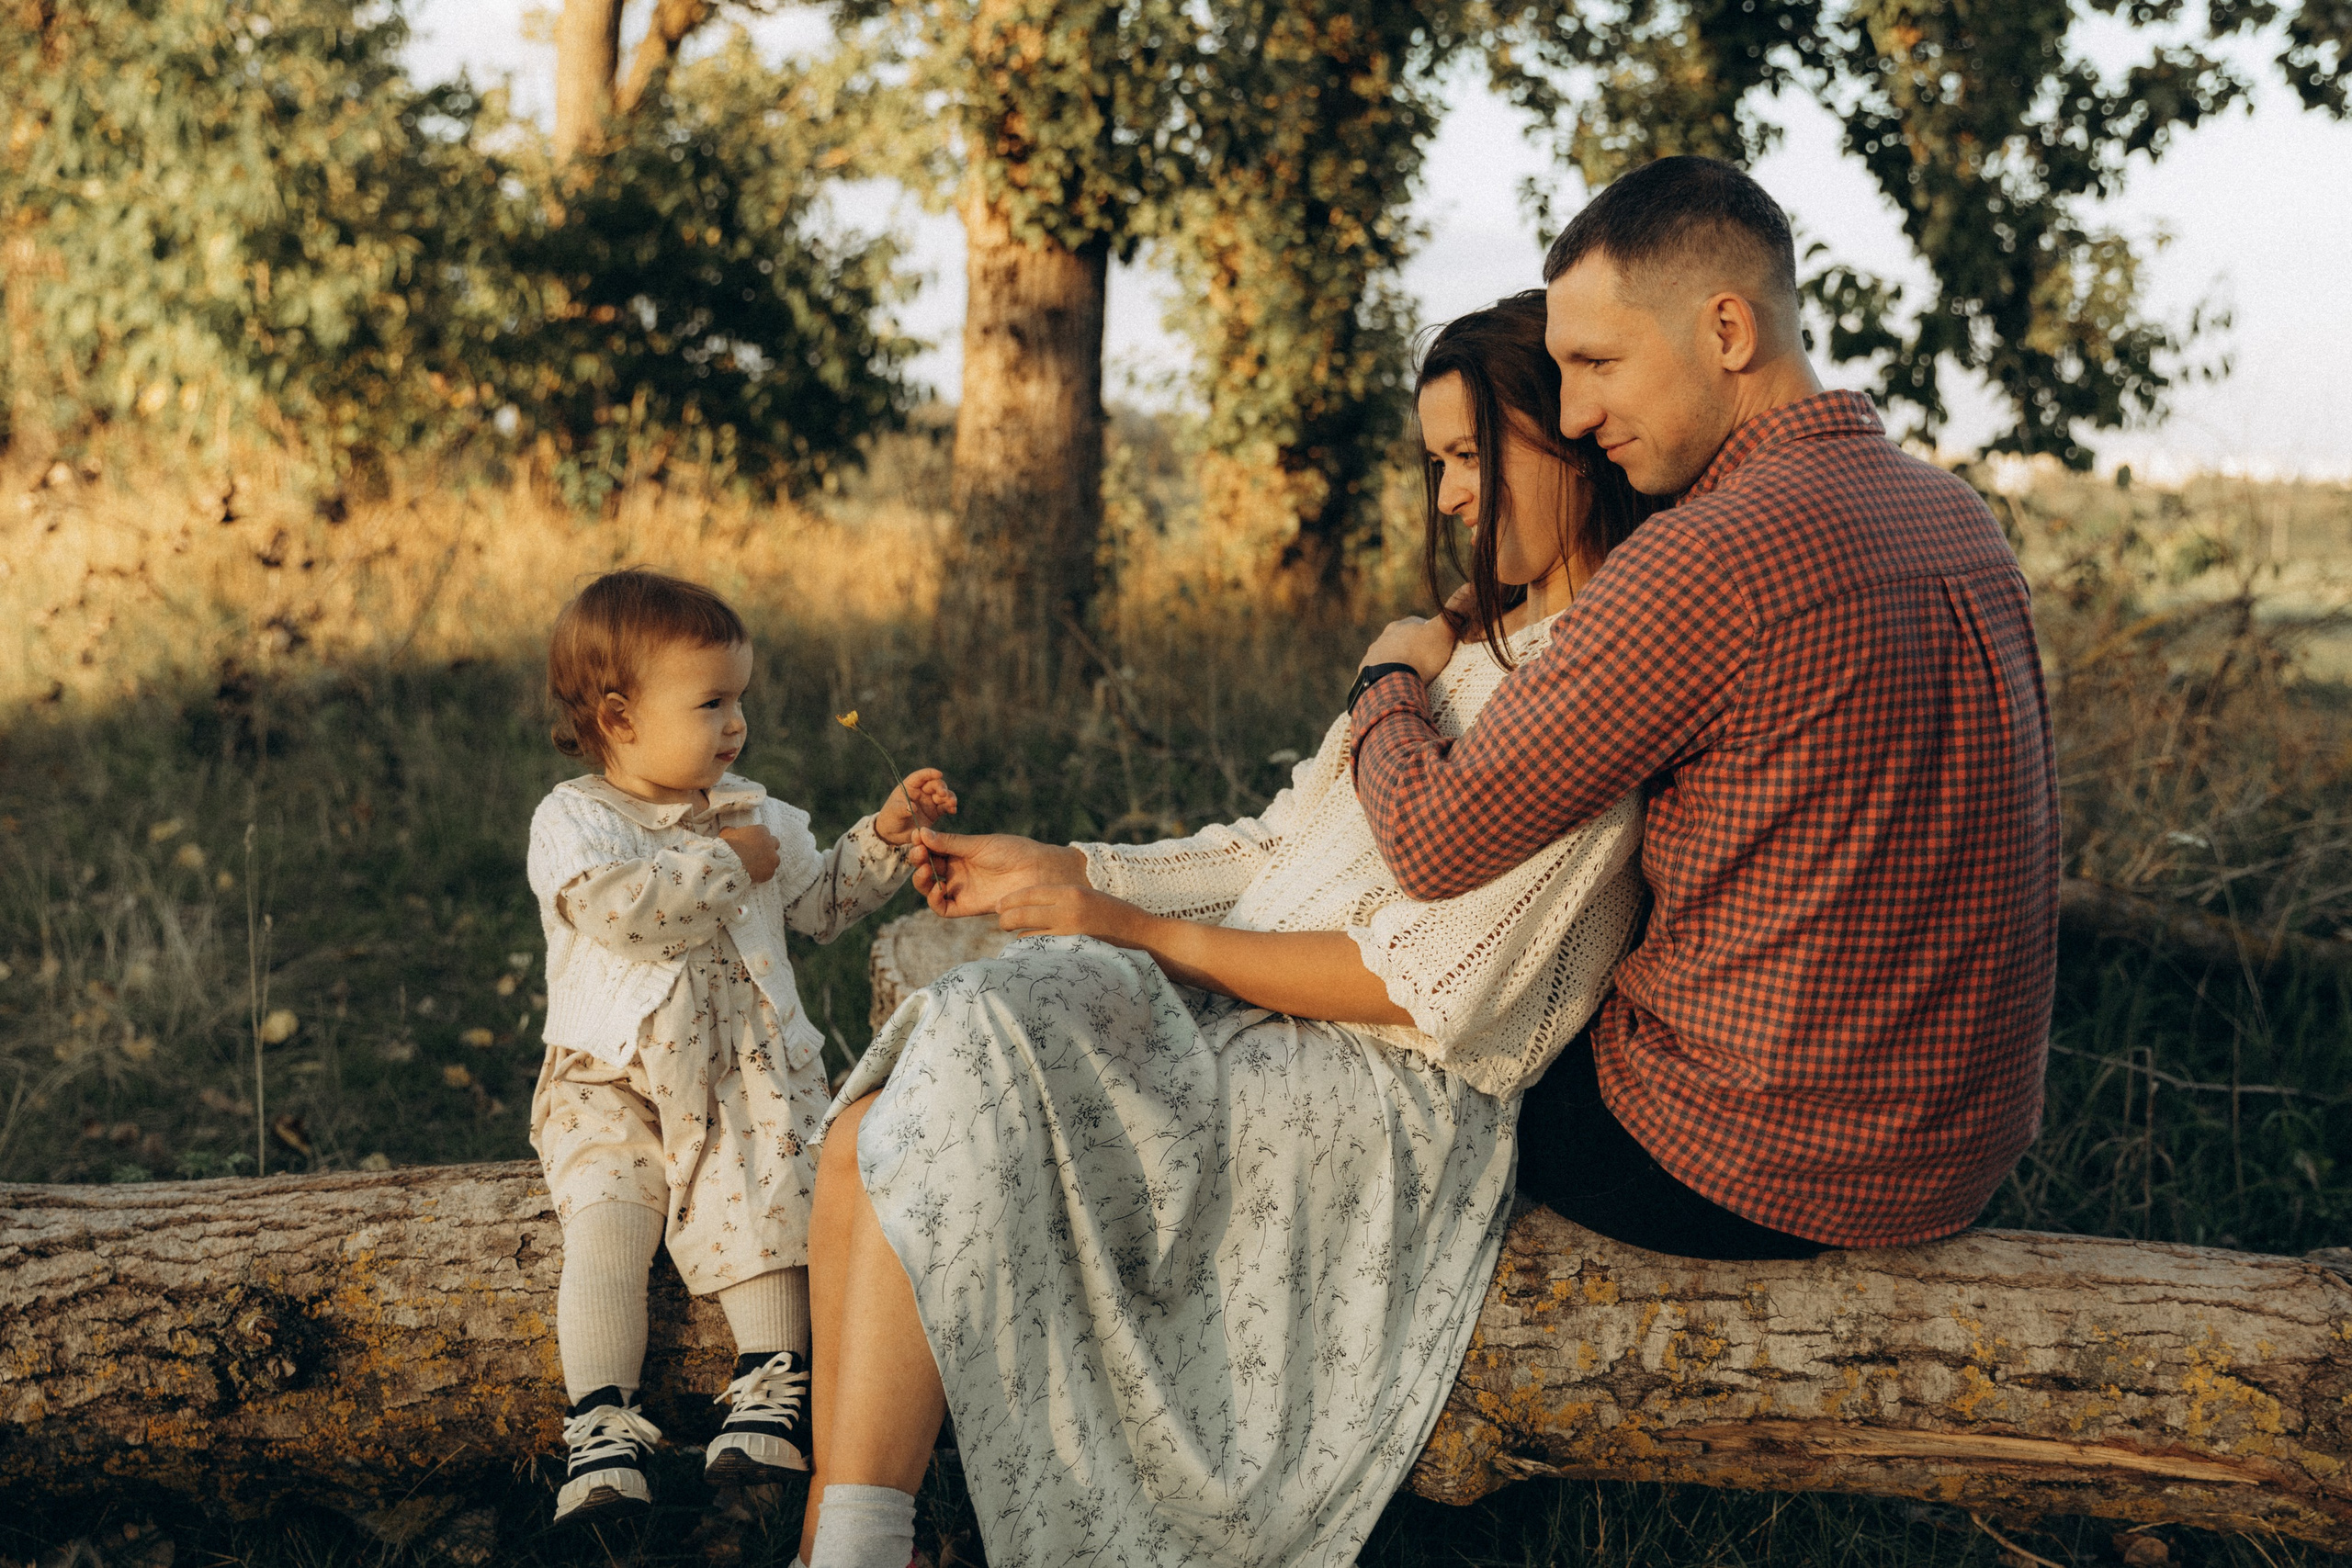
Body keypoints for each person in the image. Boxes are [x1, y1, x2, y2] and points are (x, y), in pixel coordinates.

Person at [791, 295, 1656, 1568]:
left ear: (1569, 437)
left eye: (1476, 456)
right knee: (877, 1127)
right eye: (1439, 466)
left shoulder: (1607, 679)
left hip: (1372, 1089)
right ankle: (846, 1537)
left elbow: (1424, 989)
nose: (1454, 498)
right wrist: (1070, 866)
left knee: (966, 1050)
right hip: (1248, 1009)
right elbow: (1273, 848)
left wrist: (1124, 923)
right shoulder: (1448, 647)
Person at [1351, 155, 2060, 1260]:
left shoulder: (1703, 561)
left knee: (1373, 1082)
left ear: (1727, 332)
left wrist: (1388, 681)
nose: (1577, 412)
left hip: (1733, 1162)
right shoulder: (1955, 517)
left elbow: (1432, 843)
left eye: (1597, 362)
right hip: (1961, 1152)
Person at [523, 568, 956, 1526]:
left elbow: (819, 901)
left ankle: (767, 1391)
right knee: (607, 1220)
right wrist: (723, 865)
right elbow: (622, 914)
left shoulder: (752, 810)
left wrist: (883, 834)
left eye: (740, 701)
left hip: (735, 1071)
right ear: (620, 717)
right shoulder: (574, 821)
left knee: (766, 1191)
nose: (734, 725)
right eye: (710, 703)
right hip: (610, 1078)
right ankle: (600, 1424)